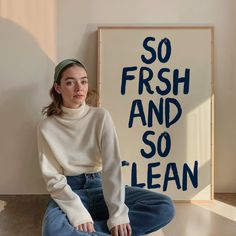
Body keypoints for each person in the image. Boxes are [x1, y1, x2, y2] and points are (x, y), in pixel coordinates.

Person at [37, 59, 175, 236]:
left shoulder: (100, 116)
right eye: (70, 82)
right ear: (58, 87)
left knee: (164, 207)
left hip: (101, 185)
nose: (79, 88)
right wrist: (78, 213)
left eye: (84, 81)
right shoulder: (47, 127)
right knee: (52, 231)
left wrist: (117, 215)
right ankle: (103, 229)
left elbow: (112, 166)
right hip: (70, 191)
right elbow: (53, 178)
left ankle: (90, 230)